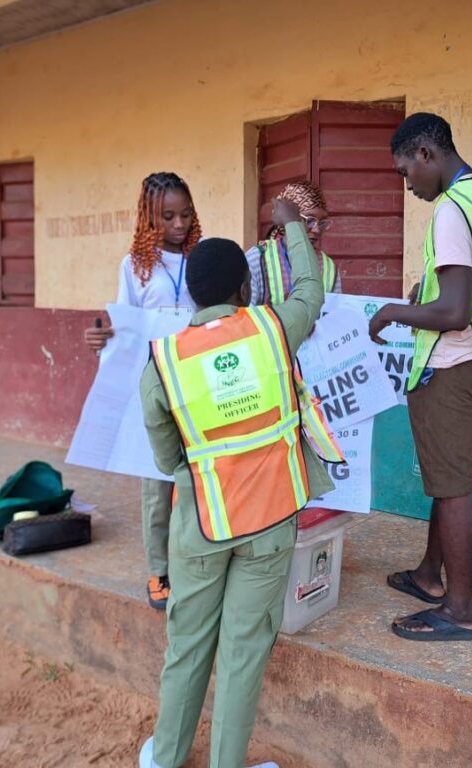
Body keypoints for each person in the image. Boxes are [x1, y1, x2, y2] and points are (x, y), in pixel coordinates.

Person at [138, 199, 333, 768]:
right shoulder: (273, 329)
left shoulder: (166, 360)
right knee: (245, 652)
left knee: (187, 647)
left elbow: (165, 455)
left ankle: (167, 758)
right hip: (270, 522)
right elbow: (310, 292)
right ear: (246, 286)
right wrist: (294, 227)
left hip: (202, 523)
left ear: (194, 296)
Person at [369, 112, 472, 642]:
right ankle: (428, 576)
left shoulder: (450, 211)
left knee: (451, 487)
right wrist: (427, 294)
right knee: (450, 476)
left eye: (405, 171)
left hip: (454, 365)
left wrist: (394, 312)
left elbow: (455, 311)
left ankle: (459, 610)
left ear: (426, 156)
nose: (407, 184)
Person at [83, 171, 202, 611]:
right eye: (167, 216)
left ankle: (196, 562)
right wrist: (102, 339)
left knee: (198, 478)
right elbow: (123, 326)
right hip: (154, 385)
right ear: (147, 217)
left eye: (185, 214)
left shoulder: (201, 257)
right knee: (156, 482)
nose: (178, 224)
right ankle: (160, 568)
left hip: (195, 383)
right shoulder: (135, 266)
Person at [246, 180, 340, 304]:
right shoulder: (258, 259)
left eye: (322, 223)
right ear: (287, 219)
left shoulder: (329, 267)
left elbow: (336, 316)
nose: (317, 229)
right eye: (309, 220)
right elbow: (246, 317)